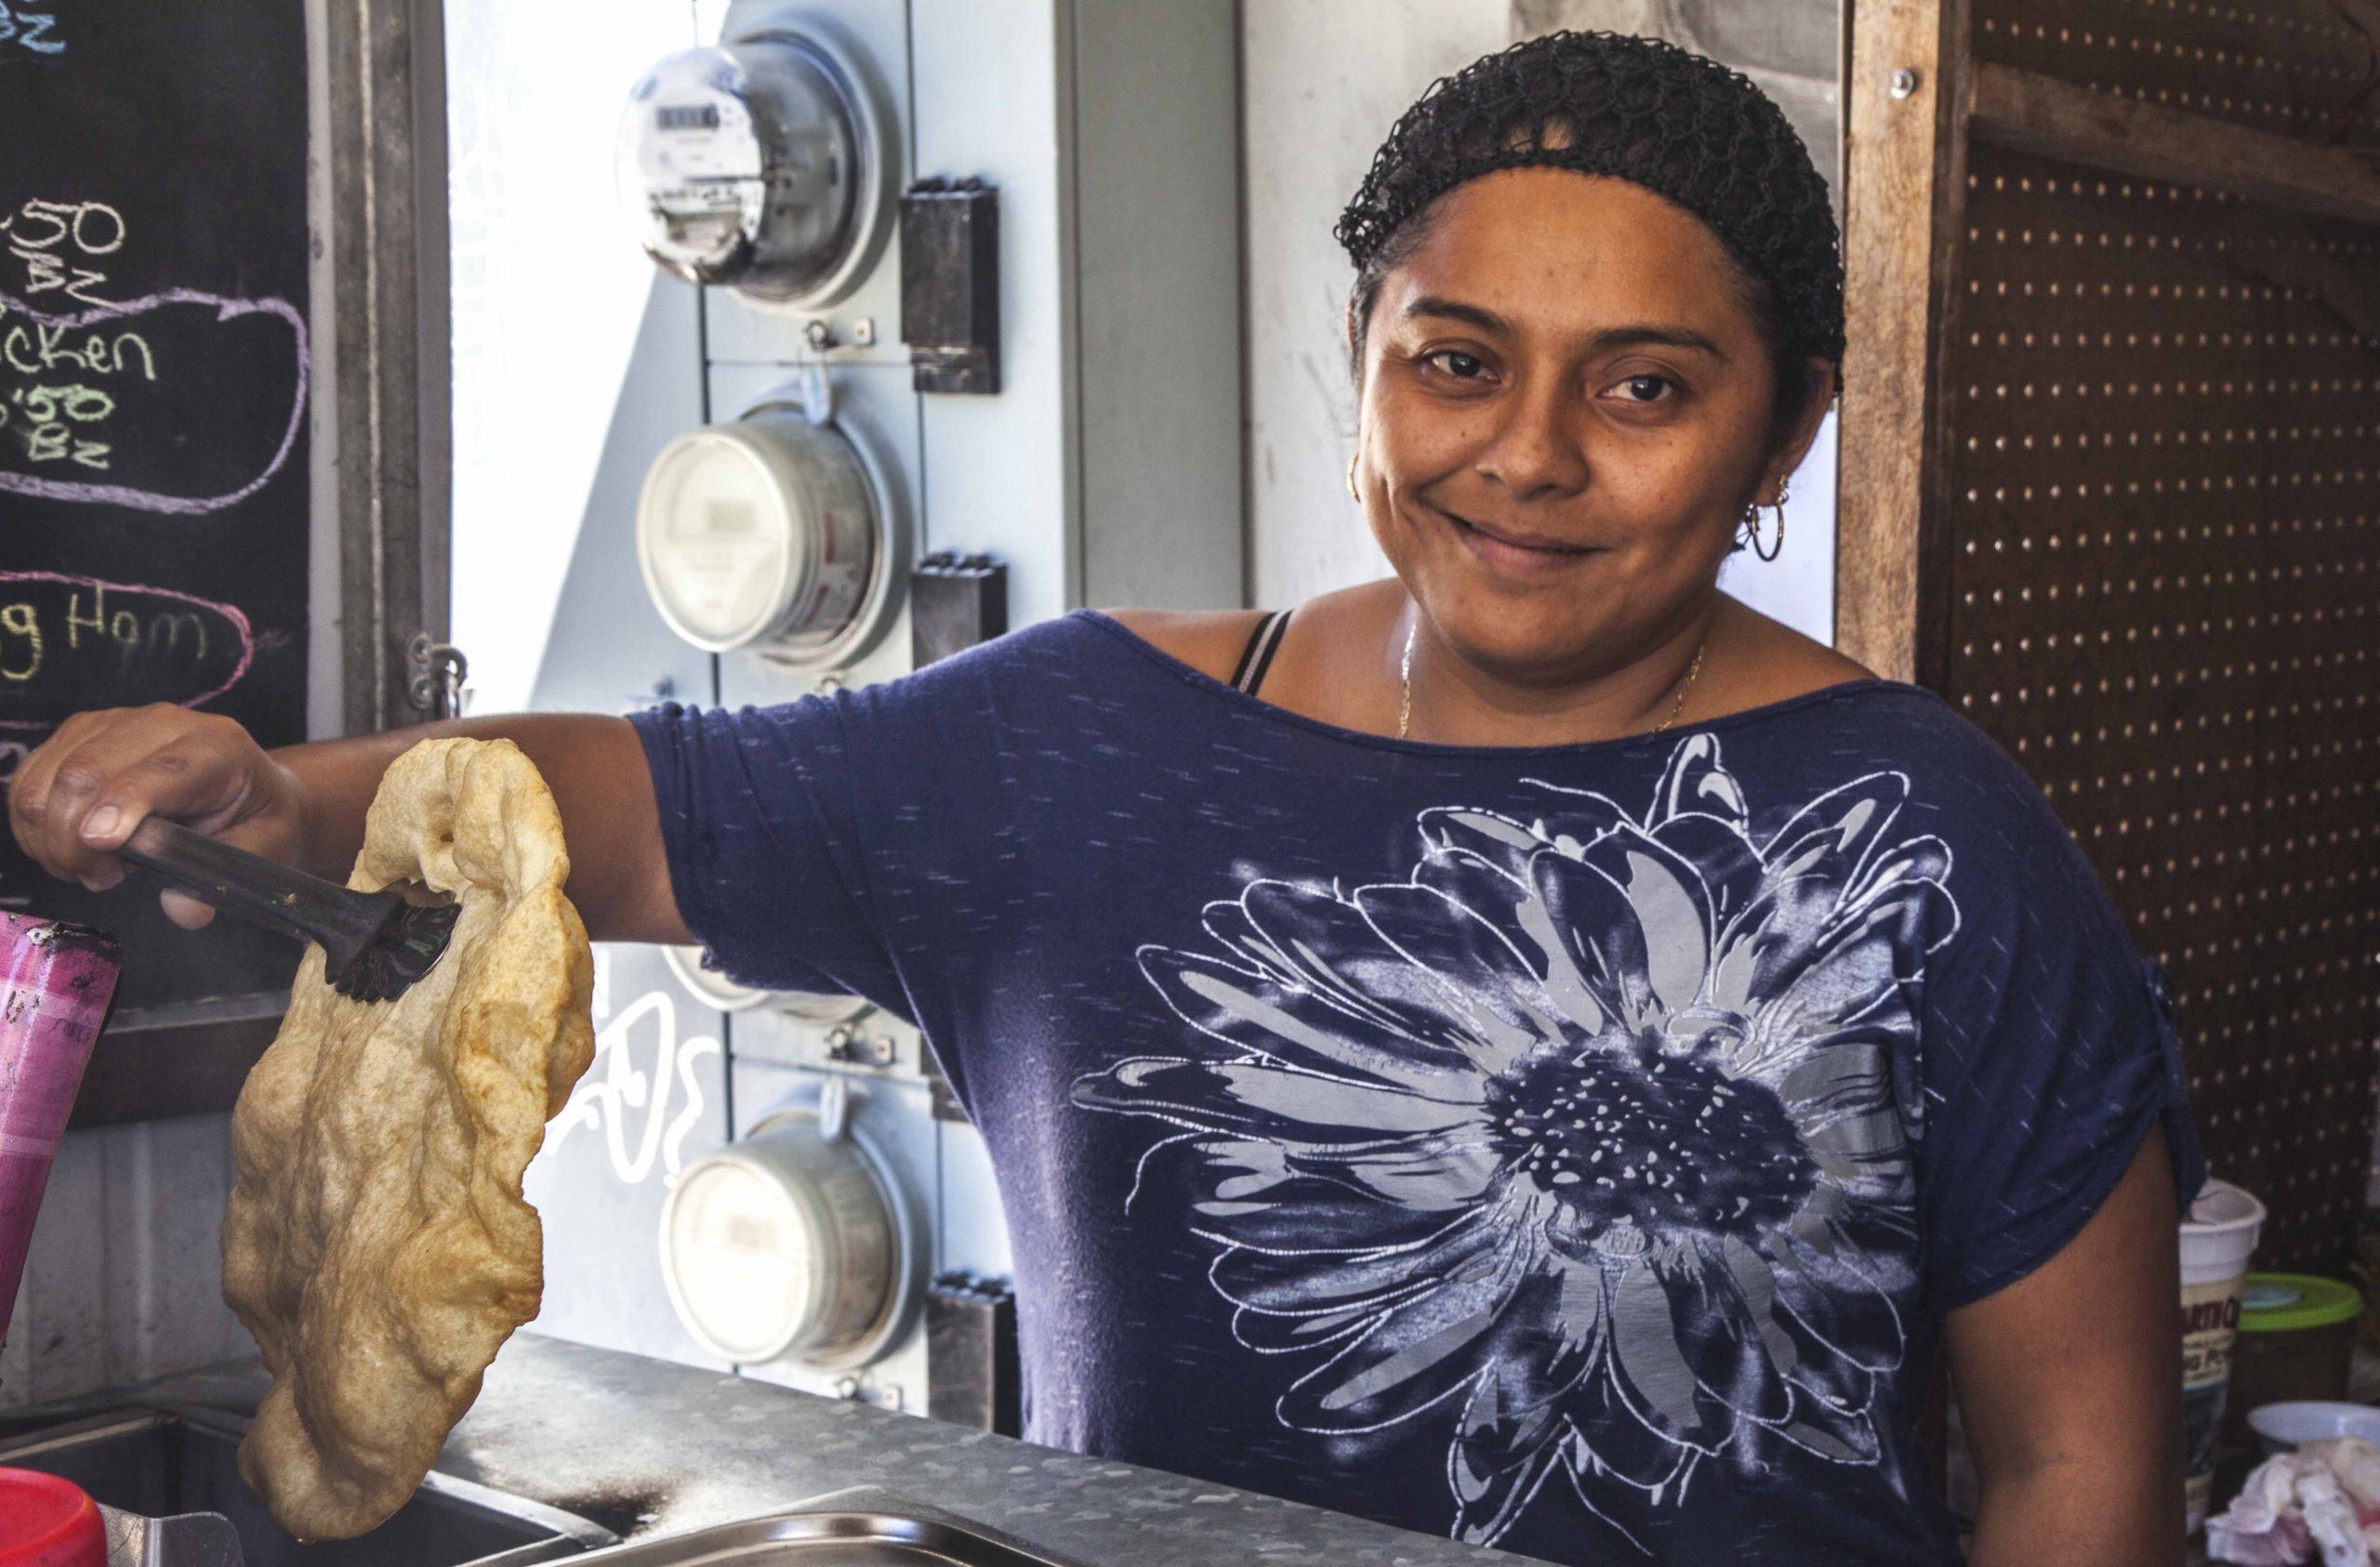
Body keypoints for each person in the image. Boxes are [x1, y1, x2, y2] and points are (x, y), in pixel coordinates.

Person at [9, 32, 2199, 1567]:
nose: (1526, 455)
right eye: (1455, 359)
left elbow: (2075, 1475)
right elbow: (601, 797)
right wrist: (279, 794)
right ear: (1360, 360)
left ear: (1782, 431)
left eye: (1642, 387)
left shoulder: (1924, 835)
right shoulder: (1068, 745)